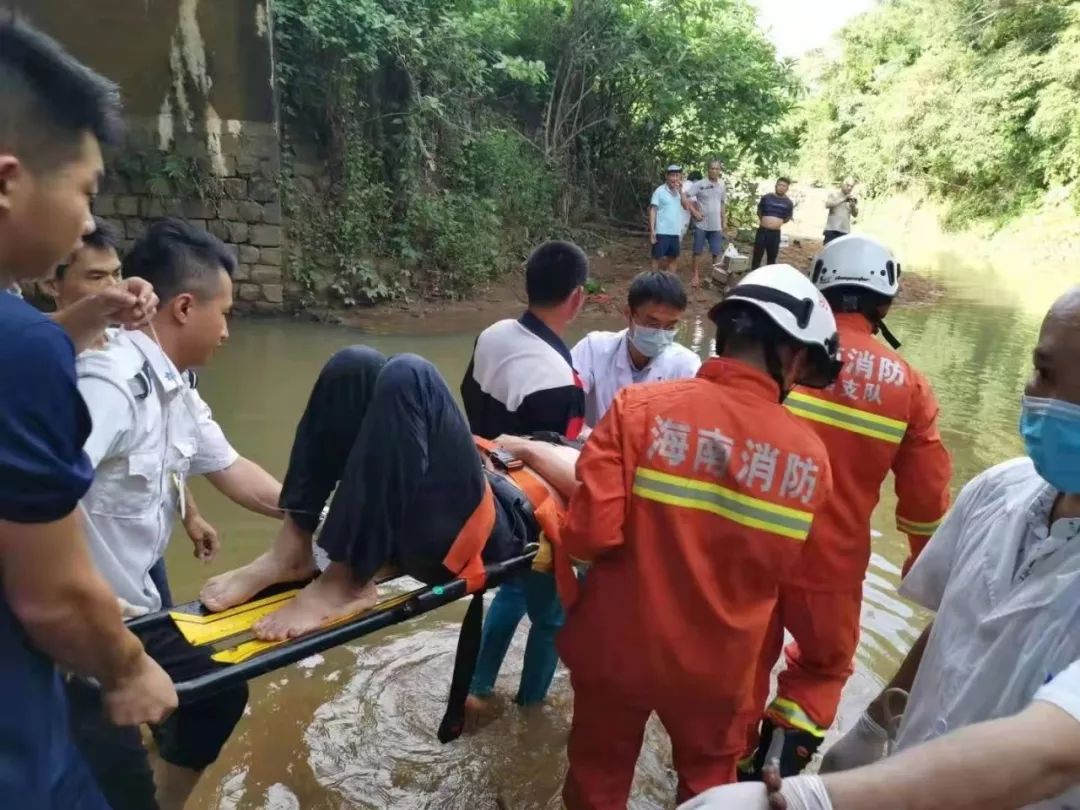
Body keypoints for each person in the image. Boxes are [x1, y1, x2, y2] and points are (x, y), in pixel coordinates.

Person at [557, 264, 844, 808]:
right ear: (793, 356)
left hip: (618, 650)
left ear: (726, 333)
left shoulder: (638, 411)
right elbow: (813, 604)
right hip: (720, 675)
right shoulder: (810, 460)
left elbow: (588, 537)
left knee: (597, 781)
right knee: (709, 791)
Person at [0, 17, 176, 809]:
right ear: (9, 181)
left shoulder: (29, 340)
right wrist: (130, 667)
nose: (84, 220)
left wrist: (87, 316)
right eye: (85, 191)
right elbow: (56, 597)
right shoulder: (29, 353)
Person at [67, 218, 284, 810]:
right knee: (112, 787)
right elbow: (33, 493)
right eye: (227, 313)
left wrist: (317, 514)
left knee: (216, 690)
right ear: (185, 307)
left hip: (135, 610)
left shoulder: (175, 386)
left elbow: (233, 470)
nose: (228, 332)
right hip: (78, 632)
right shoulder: (110, 383)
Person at [739, 235, 952, 778]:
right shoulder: (909, 385)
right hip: (833, 566)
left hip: (750, 547)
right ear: (884, 305)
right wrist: (924, 562)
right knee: (822, 668)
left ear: (819, 290)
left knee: (738, 659)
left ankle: (727, 762)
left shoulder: (783, 355)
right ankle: (778, 765)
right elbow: (925, 498)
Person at [41, 217, 220, 607]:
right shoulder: (64, 373)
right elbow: (47, 496)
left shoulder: (132, 348)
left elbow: (159, 440)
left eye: (117, 274)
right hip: (87, 567)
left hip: (137, 550)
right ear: (51, 284)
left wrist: (190, 512)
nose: (113, 289)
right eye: (95, 277)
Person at [459, 241, 588, 727]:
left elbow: (469, 400)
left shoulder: (493, 335)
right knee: (552, 616)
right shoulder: (557, 376)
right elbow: (559, 460)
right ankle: (532, 708)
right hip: (533, 508)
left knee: (510, 593)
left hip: (484, 490)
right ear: (577, 298)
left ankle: (477, 687)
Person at [678, 672, 1080, 810]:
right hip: (910, 755)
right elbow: (950, 614)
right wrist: (872, 720)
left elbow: (1051, 754)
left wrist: (819, 797)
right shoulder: (997, 494)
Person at [572, 270, 701, 428]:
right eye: (652, 324)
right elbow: (564, 402)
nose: (660, 334)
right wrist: (585, 435)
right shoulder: (593, 349)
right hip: (591, 447)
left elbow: (690, 427)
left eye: (670, 326)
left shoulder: (686, 367)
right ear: (628, 314)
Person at [650, 164, 697, 271]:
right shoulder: (659, 191)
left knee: (673, 259)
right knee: (656, 258)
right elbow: (653, 211)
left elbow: (685, 206)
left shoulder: (680, 192)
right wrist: (652, 231)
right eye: (672, 175)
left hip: (675, 232)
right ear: (667, 176)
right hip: (661, 232)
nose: (674, 178)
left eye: (677, 176)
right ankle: (654, 283)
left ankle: (670, 283)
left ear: (680, 177)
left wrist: (681, 191)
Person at [688, 160, 728, 287]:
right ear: (708, 169)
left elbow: (722, 203)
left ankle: (714, 275)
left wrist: (724, 221)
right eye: (712, 168)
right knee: (697, 251)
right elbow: (684, 196)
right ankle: (695, 276)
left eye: (717, 169)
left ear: (719, 170)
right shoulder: (700, 184)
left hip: (716, 225)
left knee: (716, 252)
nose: (714, 171)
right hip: (701, 224)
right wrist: (694, 212)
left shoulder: (722, 184)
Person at [752, 178, 795, 270]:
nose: (781, 187)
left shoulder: (789, 203)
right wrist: (766, 221)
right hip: (762, 231)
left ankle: (769, 278)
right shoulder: (766, 197)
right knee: (757, 255)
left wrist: (776, 222)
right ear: (776, 186)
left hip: (775, 234)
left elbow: (787, 217)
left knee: (772, 257)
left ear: (787, 188)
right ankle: (753, 275)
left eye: (784, 186)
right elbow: (759, 211)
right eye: (779, 185)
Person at [823, 179, 858, 245]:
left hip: (844, 231)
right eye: (848, 185)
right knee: (829, 252)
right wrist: (843, 199)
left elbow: (855, 214)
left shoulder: (853, 198)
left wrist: (853, 206)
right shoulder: (833, 194)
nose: (849, 188)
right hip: (832, 229)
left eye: (852, 186)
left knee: (841, 253)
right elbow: (827, 205)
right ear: (842, 184)